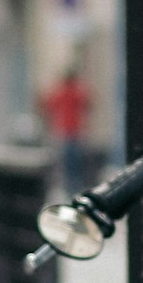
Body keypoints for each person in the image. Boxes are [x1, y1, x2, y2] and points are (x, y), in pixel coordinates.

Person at [40, 62, 94, 197]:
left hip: (66, 132)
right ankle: (73, 187)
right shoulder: (76, 91)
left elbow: (47, 105)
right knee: (74, 163)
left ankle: (70, 188)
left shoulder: (61, 92)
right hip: (73, 132)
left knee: (68, 163)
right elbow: (88, 105)